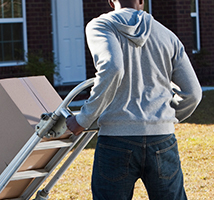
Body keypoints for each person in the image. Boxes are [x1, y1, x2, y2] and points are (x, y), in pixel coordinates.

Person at [65, 0, 202, 199]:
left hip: (116, 140)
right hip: (162, 140)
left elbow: (112, 68)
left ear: (111, 1)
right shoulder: (167, 35)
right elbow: (194, 93)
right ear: (141, 1)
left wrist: (82, 120)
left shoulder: (101, 25)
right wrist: (162, 119)